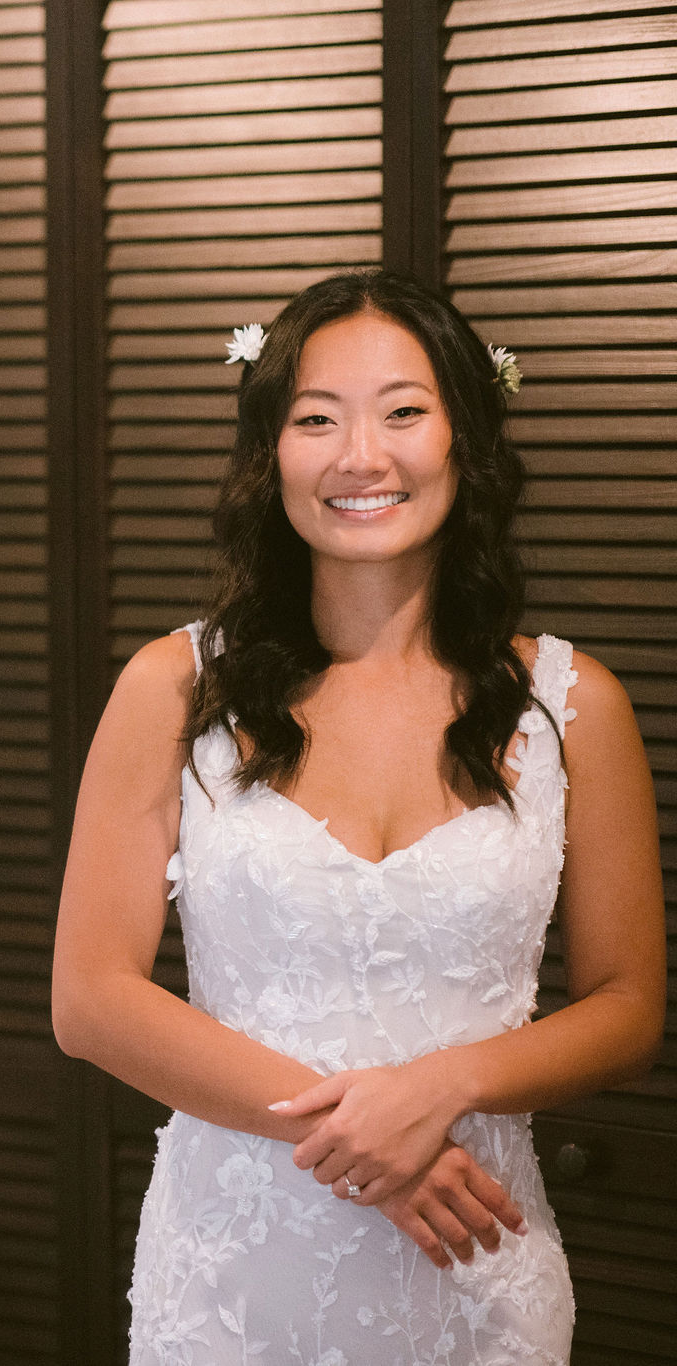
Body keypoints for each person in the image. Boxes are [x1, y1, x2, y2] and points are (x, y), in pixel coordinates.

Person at [51, 271, 664, 1362]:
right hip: (231, 1284)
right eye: (316, 419)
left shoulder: (573, 706)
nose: (360, 456)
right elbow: (91, 997)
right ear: (269, 453)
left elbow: (627, 1007)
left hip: (477, 1274)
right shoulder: (173, 687)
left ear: (465, 438)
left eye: (402, 412)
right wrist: (364, 1140)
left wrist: (440, 1088)